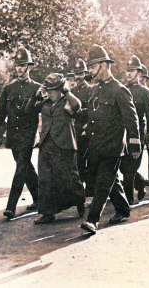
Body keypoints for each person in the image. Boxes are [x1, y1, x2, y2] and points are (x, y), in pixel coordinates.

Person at [79, 44, 141, 235]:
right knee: (110, 180)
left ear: (104, 65)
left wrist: (134, 142)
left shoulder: (119, 90)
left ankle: (92, 220)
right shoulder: (96, 89)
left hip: (113, 146)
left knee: (103, 182)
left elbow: (132, 119)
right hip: (96, 144)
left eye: (93, 66)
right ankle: (123, 209)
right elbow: (93, 114)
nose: (90, 71)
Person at [0, 47, 40, 219]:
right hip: (13, 135)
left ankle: (11, 206)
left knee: (21, 167)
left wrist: (40, 133)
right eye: (17, 65)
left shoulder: (37, 89)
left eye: (22, 65)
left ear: (29, 67)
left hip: (28, 135)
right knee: (25, 167)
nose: (19, 68)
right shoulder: (9, 88)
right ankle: (40, 198)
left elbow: (45, 111)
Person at [31, 73, 85, 224]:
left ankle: (79, 202)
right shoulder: (45, 103)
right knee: (45, 178)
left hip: (65, 145)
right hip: (47, 144)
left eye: (54, 90)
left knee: (70, 178)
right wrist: (36, 96)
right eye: (49, 90)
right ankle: (47, 213)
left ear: (61, 89)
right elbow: (30, 109)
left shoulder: (67, 102)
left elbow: (77, 105)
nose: (51, 93)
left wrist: (67, 91)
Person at [121, 55, 149, 203]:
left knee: (128, 172)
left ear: (139, 74)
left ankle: (128, 202)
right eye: (127, 71)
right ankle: (140, 182)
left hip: (138, 136)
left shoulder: (144, 92)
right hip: (122, 135)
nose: (129, 74)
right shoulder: (121, 90)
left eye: (132, 71)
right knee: (123, 169)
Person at [70, 58, 93, 195]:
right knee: (77, 163)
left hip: (87, 130)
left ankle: (89, 191)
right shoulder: (71, 91)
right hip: (74, 131)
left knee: (88, 162)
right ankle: (79, 192)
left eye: (81, 74)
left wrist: (87, 126)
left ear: (85, 74)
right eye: (76, 74)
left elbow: (92, 111)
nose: (78, 77)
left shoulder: (91, 90)